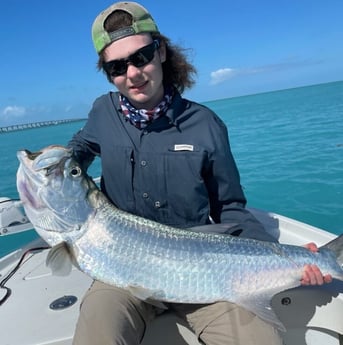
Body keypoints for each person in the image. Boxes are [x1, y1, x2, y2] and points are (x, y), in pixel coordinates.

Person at [68, 2, 332, 344]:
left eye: (141, 57)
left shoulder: (206, 125)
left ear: (161, 51)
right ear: (108, 73)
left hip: (202, 273)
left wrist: (282, 259)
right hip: (121, 268)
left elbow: (231, 207)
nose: (132, 73)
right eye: (117, 67)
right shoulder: (102, 113)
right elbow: (78, 151)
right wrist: (58, 162)